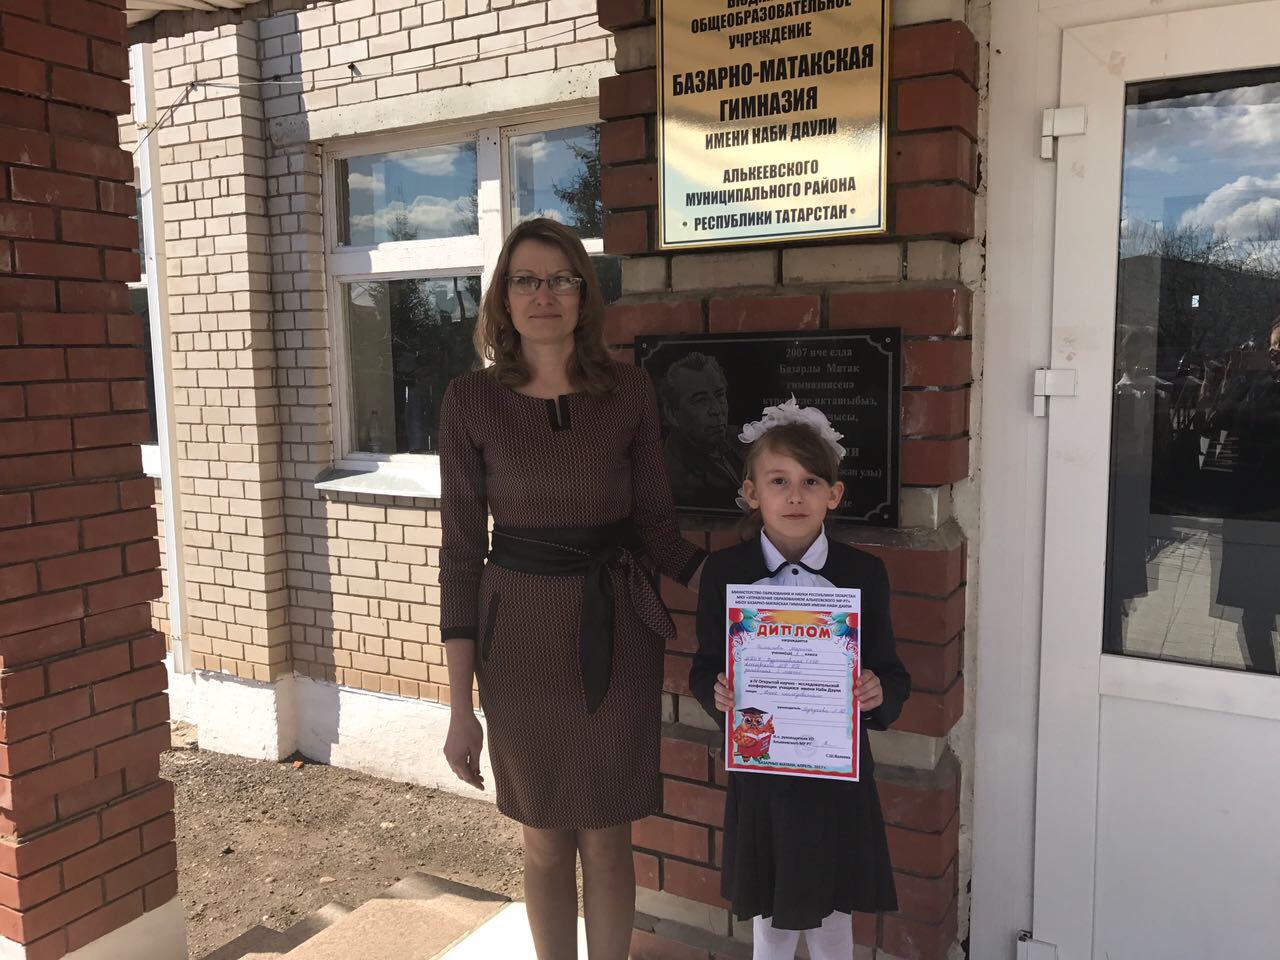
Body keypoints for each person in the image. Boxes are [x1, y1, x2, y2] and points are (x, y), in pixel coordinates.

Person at [438, 217, 706, 960]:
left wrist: (744, 580)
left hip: (617, 629)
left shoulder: (629, 390)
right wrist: (459, 710)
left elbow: (657, 529)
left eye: (561, 279)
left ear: (585, 296)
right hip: (517, 639)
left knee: (609, 835)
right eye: (525, 280)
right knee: (545, 839)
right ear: (503, 296)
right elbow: (460, 556)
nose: (544, 295)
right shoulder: (469, 401)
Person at [688, 399, 911, 960]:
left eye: (811, 481)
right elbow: (704, 666)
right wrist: (717, 693)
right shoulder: (725, 573)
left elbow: (890, 671)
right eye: (779, 481)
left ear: (833, 495)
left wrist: (878, 692)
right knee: (772, 917)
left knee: (834, 914)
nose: (795, 496)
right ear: (752, 493)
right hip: (763, 776)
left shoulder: (863, 574)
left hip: (836, 775)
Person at [1211, 318, 1280, 673]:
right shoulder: (1256, 385)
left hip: (1268, 510)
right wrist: (1234, 380)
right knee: (1255, 611)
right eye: (1272, 346)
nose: (1274, 353)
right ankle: (1263, 680)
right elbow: (1219, 420)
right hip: (1251, 511)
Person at [658, 351, 746, 509]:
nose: (716, 410)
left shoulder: (741, 438)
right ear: (672, 414)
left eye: (719, 395)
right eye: (701, 400)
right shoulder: (670, 475)